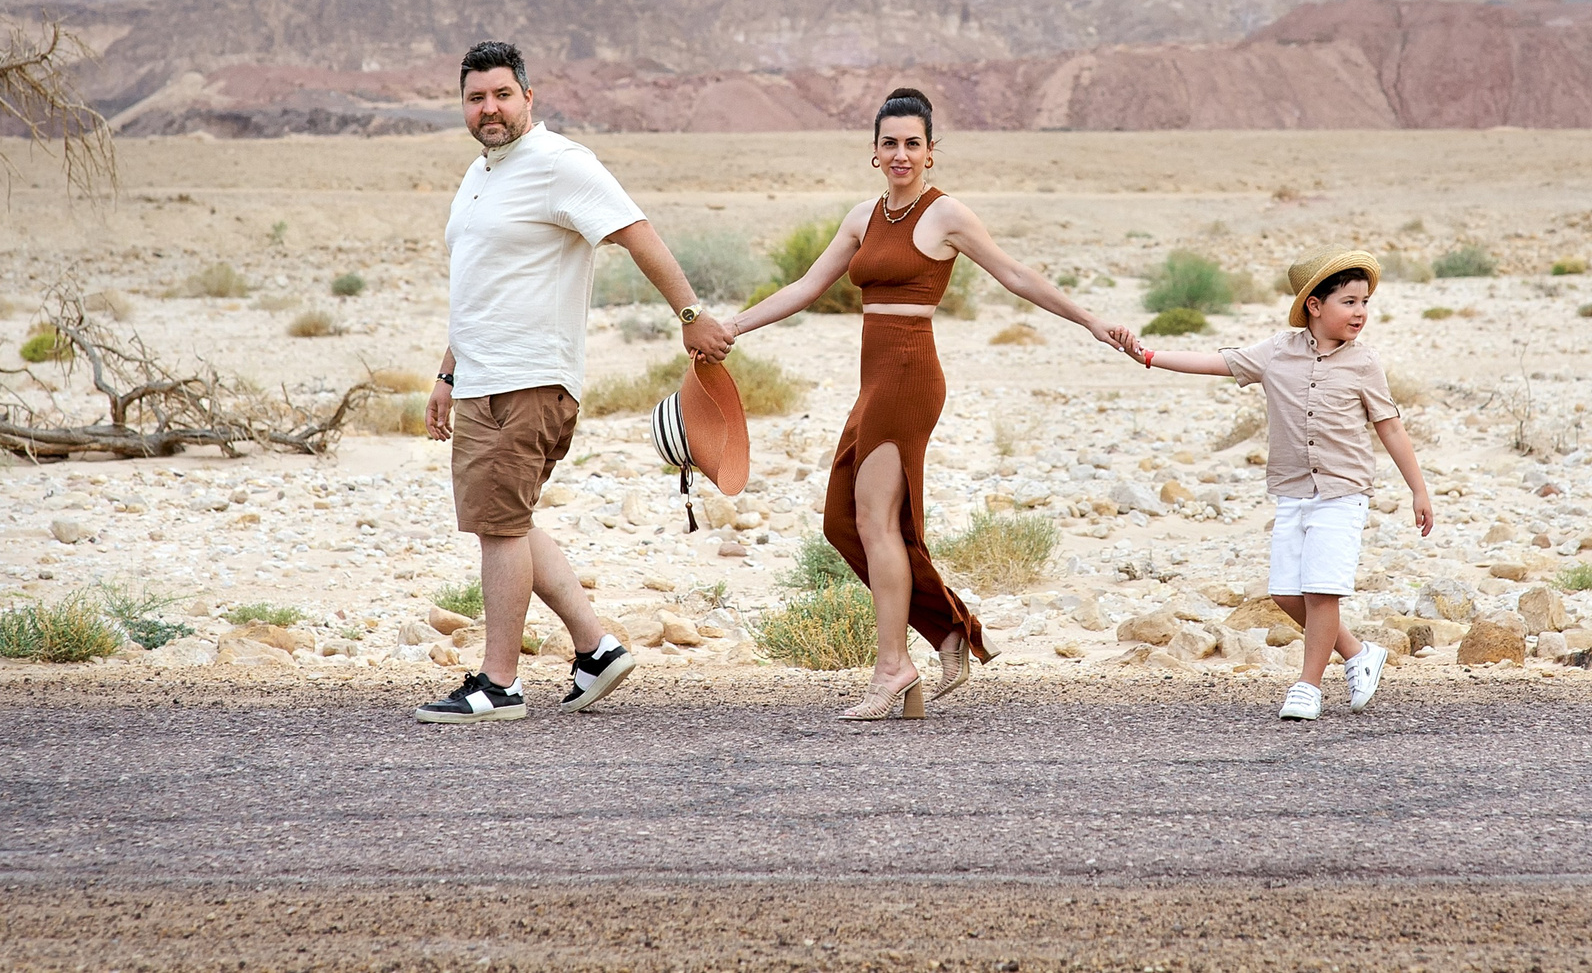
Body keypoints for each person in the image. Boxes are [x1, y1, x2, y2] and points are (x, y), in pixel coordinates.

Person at [724, 87, 1137, 720]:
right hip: (874, 378)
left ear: (931, 152)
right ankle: (946, 632)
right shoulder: (862, 217)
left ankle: (893, 667)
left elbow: (1017, 276)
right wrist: (731, 328)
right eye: (889, 143)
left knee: (876, 520)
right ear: (874, 152)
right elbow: (807, 287)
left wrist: (1090, 320)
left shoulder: (947, 216)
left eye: (912, 143)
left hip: (911, 376)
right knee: (844, 523)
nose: (900, 154)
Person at [417, 41, 734, 724]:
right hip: (481, 379)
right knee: (503, 520)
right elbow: (481, 287)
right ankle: (595, 648)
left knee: (499, 526)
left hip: (530, 378)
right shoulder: (479, 174)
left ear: (529, 96)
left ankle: (498, 683)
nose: (489, 107)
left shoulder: (560, 164)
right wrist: (448, 371)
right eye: (476, 97)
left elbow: (635, 231)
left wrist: (690, 315)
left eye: (502, 94)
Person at [1129, 248, 1433, 721]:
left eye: (1365, 302)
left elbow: (1389, 426)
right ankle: (1357, 653)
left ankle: (1307, 686)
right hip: (1293, 491)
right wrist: (1147, 354)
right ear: (1315, 305)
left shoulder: (1364, 363)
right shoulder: (1275, 353)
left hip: (1343, 491)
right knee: (1284, 593)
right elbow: (1215, 361)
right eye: (1349, 302)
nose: (1361, 313)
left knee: (1321, 590)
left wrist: (1419, 489)